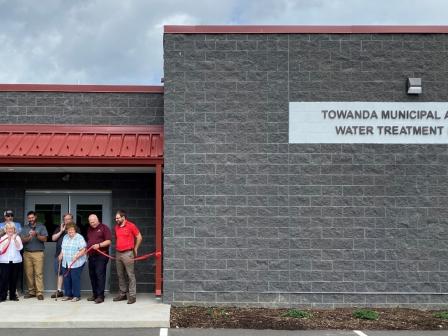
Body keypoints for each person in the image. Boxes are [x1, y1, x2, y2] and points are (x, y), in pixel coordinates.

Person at [113, 210, 142, 304]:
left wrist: (136, 248)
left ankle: (132, 296)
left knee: (130, 275)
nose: (116, 219)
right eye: (116, 218)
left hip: (128, 253)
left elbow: (139, 237)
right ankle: (123, 294)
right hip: (118, 253)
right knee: (120, 274)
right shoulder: (116, 227)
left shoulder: (131, 225)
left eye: (118, 218)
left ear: (123, 217)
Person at [21, 211, 48, 300]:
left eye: (32, 217)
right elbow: (22, 240)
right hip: (27, 253)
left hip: (38, 253)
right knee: (29, 274)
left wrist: (36, 235)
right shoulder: (24, 227)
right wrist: (29, 237)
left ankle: (39, 293)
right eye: (29, 218)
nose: (31, 219)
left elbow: (45, 239)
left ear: (35, 217)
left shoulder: (41, 226)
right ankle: (31, 292)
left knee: (38, 273)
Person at [86, 214, 112, 304]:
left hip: (101, 255)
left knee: (99, 275)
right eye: (90, 222)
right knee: (92, 275)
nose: (92, 223)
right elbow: (89, 241)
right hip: (91, 256)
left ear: (97, 220)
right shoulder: (89, 229)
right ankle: (95, 294)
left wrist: (99, 245)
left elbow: (109, 241)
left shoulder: (104, 228)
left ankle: (101, 296)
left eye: (93, 221)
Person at [59, 222, 86, 302]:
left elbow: (83, 250)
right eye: (68, 230)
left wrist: (77, 256)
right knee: (66, 278)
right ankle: (68, 295)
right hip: (66, 262)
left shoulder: (79, 237)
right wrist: (61, 255)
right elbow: (63, 248)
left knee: (75, 279)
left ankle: (76, 296)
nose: (70, 232)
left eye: (72, 230)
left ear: (75, 230)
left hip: (76, 263)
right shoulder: (65, 237)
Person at [51, 213, 74, 298]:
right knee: (59, 272)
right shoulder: (59, 228)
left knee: (70, 273)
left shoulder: (76, 228)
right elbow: (53, 238)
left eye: (69, 219)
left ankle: (71, 292)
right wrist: (61, 231)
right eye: (65, 219)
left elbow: (74, 238)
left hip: (70, 255)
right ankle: (59, 291)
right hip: (59, 254)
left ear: (72, 220)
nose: (67, 221)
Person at [0, 223, 23, 302]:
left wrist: (15, 239)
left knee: (14, 279)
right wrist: (8, 241)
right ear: (6, 230)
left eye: (12, 228)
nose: (10, 230)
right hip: (4, 261)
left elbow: (20, 247)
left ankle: (12, 296)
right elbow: (1, 249)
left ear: (14, 230)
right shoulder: (3, 238)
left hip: (16, 261)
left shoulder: (17, 237)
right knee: (4, 279)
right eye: (9, 228)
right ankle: (2, 296)